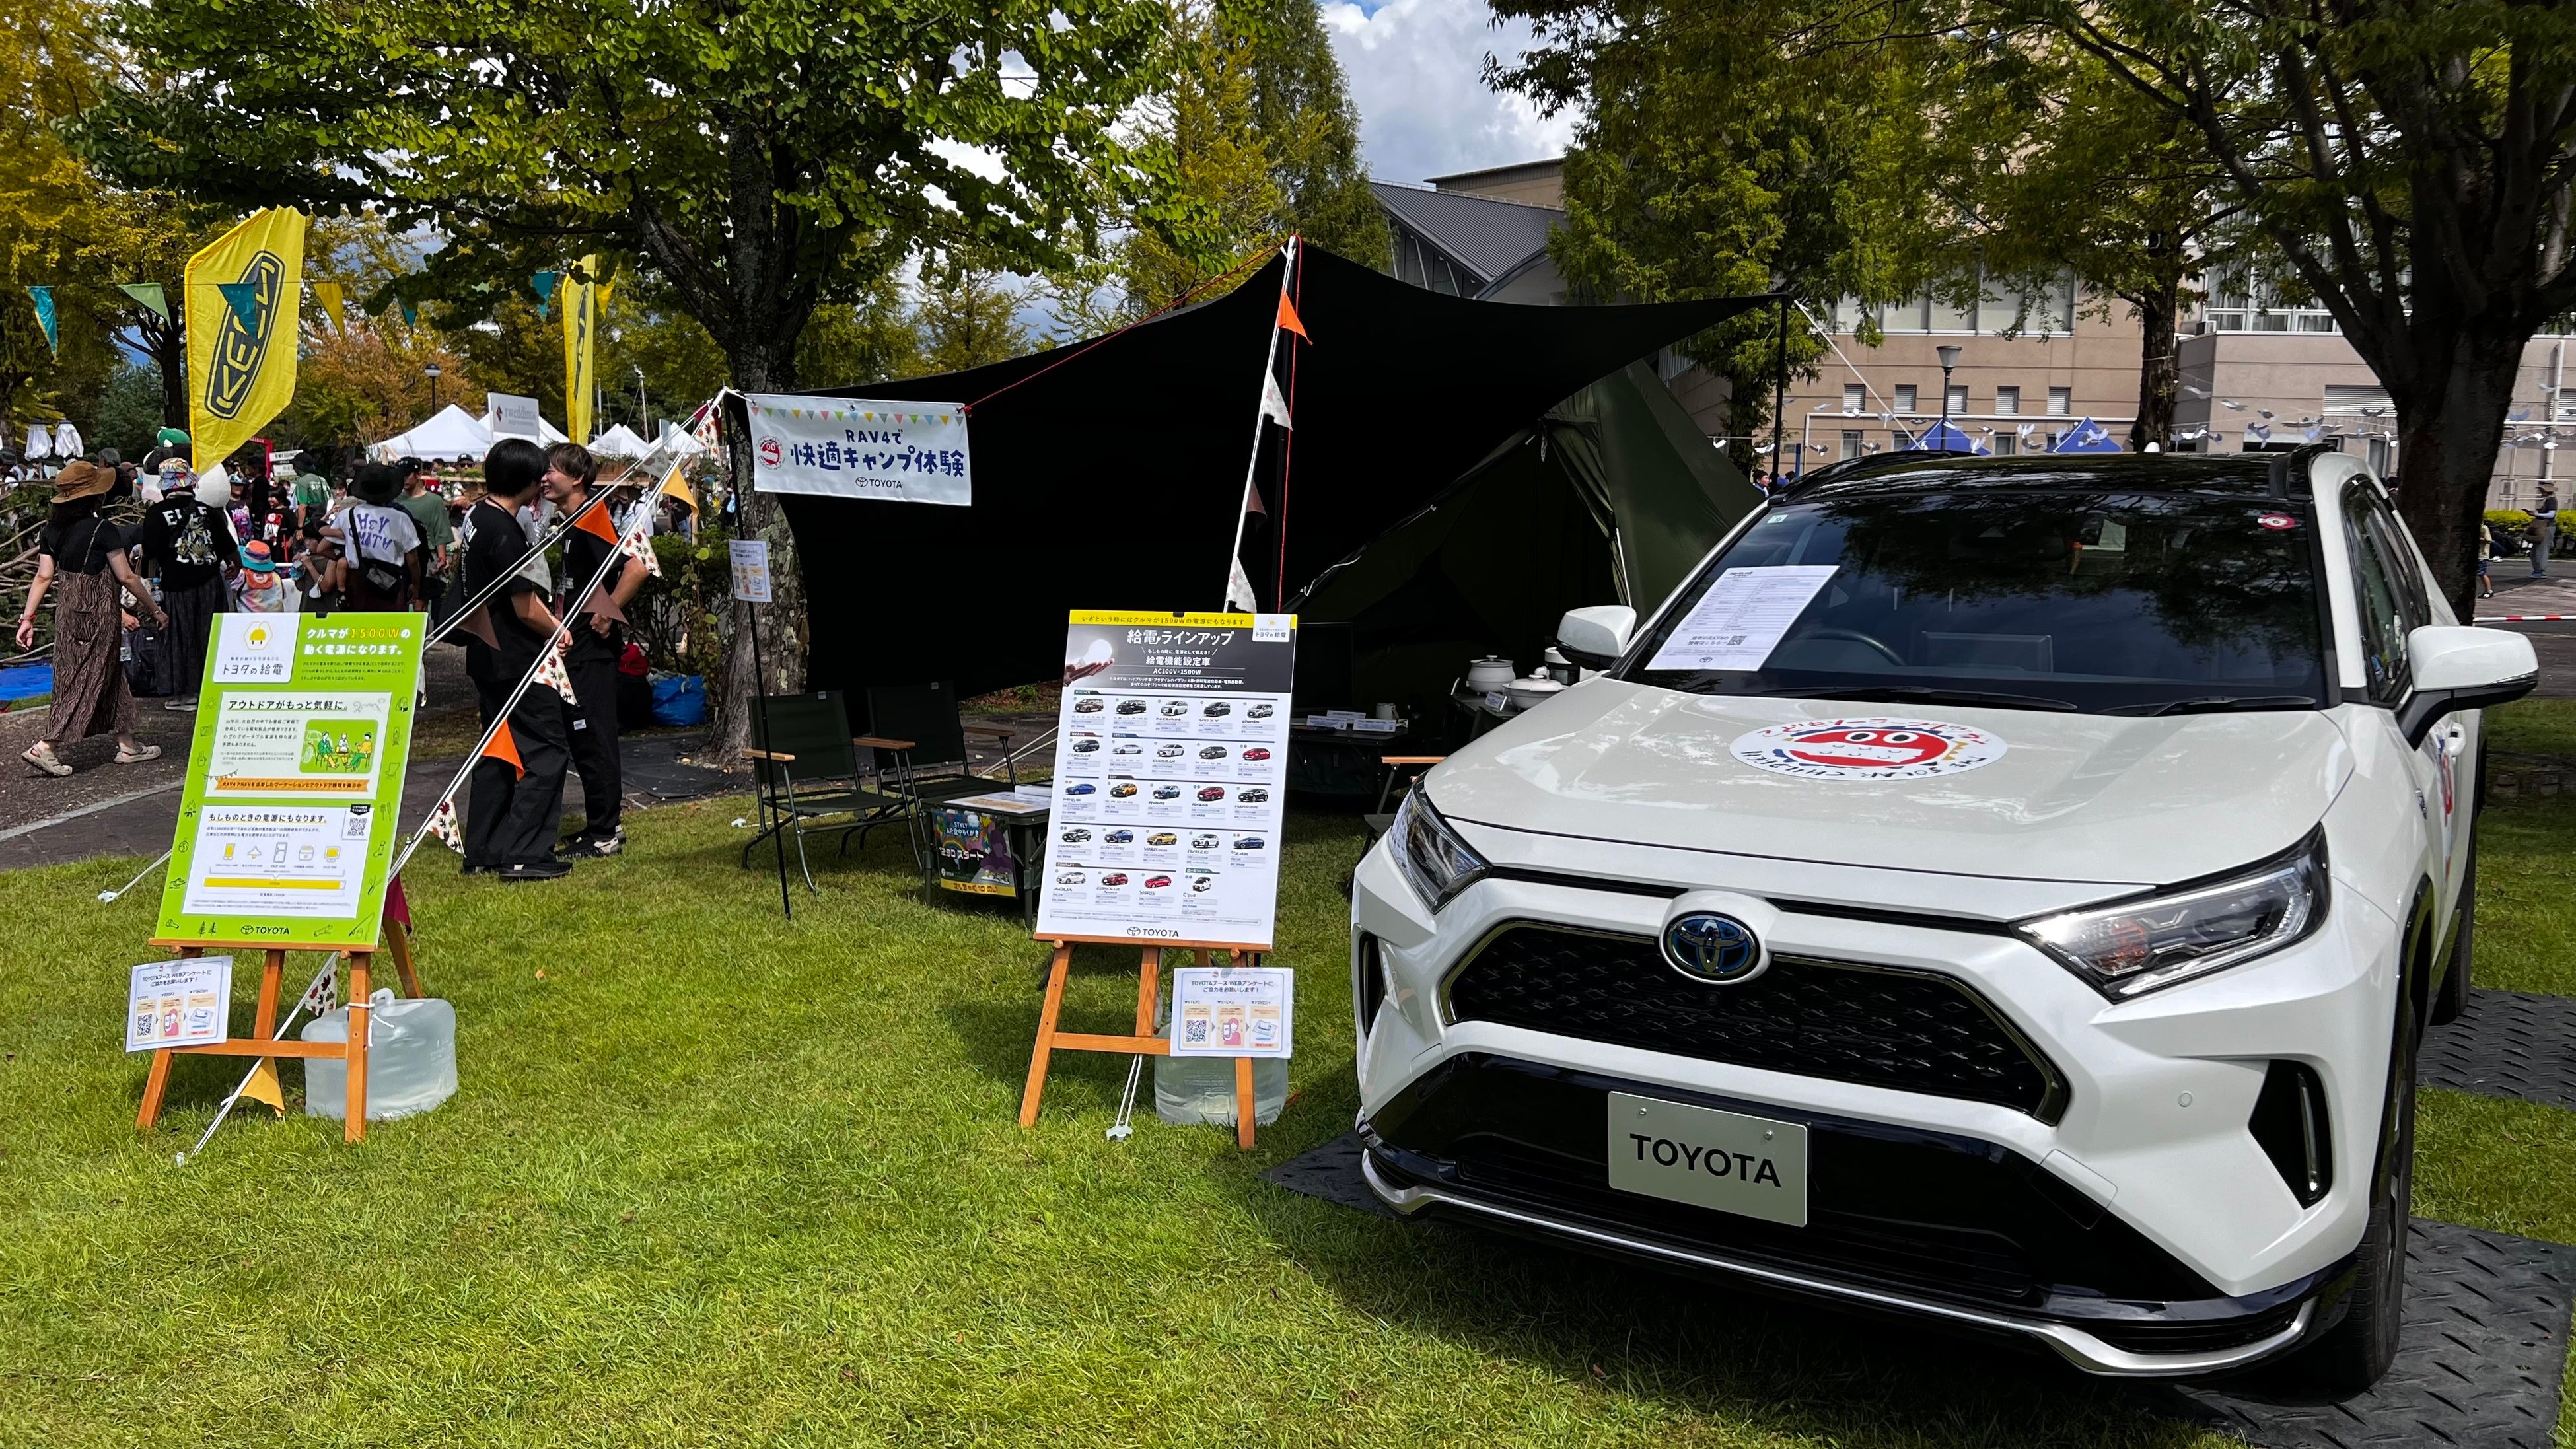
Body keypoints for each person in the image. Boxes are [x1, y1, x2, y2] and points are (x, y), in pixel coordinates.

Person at [458, 438, 572, 880]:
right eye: (539, 475)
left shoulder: (478, 517)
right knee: (546, 749)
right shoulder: (504, 532)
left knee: (499, 750)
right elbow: (524, 607)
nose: (544, 482)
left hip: (488, 655)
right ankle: (525, 853)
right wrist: (557, 629)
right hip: (516, 659)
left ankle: (484, 849)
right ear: (524, 481)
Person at [15, 461, 168, 775]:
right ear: (94, 496)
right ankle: (46, 746)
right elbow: (126, 576)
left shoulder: (50, 531)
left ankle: (128, 745)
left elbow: (44, 576)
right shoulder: (103, 530)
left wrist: (27, 619)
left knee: (107, 673)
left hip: (68, 612)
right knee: (86, 676)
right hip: (98, 613)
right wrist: (154, 608)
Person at [542, 443, 644, 857]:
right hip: (577, 648)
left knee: (594, 737)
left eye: (552, 470)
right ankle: (604, 823)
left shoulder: (592, 517)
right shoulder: (572, 522)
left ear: (576, 479)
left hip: (592, 651)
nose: (544, 478)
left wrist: (609, 611)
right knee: (584, 738)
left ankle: (604, 834)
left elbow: (638, 566)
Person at [136, 461, 242, 708]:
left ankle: (184, 694)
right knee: (211, 635)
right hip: (210, 583)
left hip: (176, 585)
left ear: (165, 487)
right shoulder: (208, 511)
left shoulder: (157, 513)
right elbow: (229, 547)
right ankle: (213, 687)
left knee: (180, 638)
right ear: (192, 485)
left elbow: (150, 552)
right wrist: (236, 566)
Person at [340, 463, 426, 611]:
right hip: (390, 582)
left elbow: (326, 542)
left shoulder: (348, 514)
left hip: (357, 582)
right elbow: (413, 560)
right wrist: (416, 585)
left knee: (358, 623)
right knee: (391, 623)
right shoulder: (401, 518)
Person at [396, 456, 454, 612]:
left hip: (426, 557)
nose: (404, 479)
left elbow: (439, 531)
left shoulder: (434, 501)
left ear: (419, 475)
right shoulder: (394, 500)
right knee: (400, 601)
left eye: (407, 475)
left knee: (420, 603)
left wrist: (441, 559)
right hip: (399, 558)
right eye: (401, 475)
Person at [231, 541, 299, 613]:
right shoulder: (276, 576)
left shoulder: (242, 576)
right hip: (276, 618)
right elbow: (283, 597)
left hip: (248, 619)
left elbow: (229, 591)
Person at [2532, 483, 2559, 579]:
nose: (2541, 491)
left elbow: (2551, 514)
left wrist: (2536, 514)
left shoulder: (2551, 500)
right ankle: (2537, 569)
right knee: (2537, 548)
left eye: (2542, 490)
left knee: (2542, 549)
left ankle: (2540, 570)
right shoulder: (2546, 500)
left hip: (2547, 526)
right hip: (2543, 526)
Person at [2480, 520, 2497, 598]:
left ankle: (2489, 590)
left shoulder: (2484, 528)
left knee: (2481, 573)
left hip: (2482, 554)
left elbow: (2488, 540)